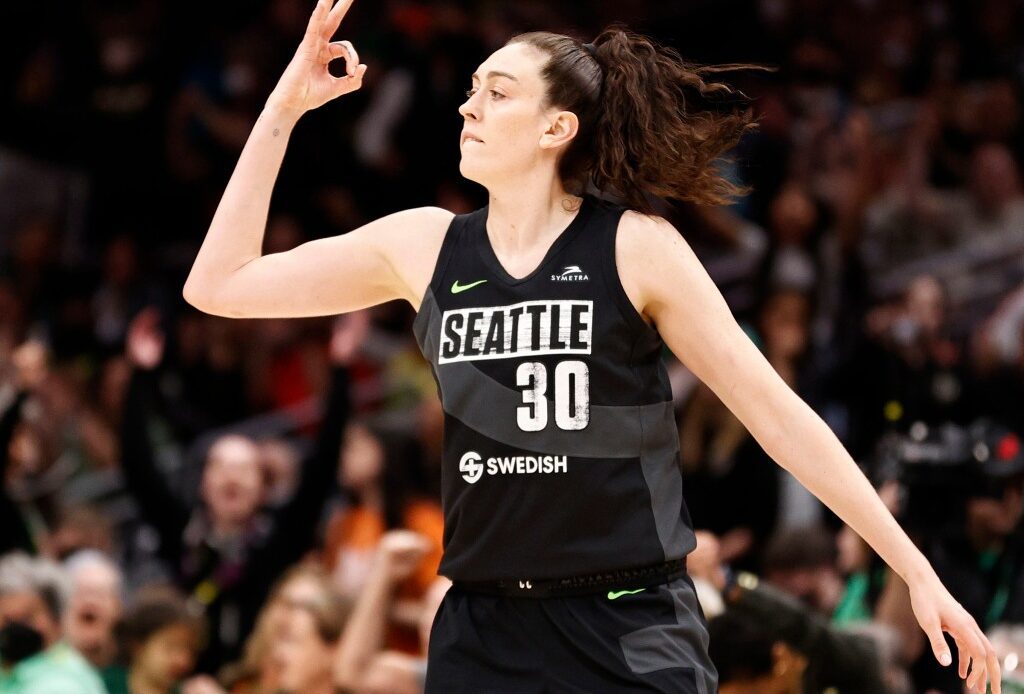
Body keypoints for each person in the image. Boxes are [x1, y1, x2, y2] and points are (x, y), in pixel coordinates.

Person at [181, 0, 1002, 691]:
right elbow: (216, 285)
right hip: (482, 627)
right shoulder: (423, 246)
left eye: (496, 93)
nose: (467, 107)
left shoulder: (634, 246)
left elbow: (779, 418)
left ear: (556, 127)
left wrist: (916, 572)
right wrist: (282, 109)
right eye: (470, 89)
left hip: (629, 620)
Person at [119, 309, 359, 671]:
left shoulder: (280, 538)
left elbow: (322, 467)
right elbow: (139, 468)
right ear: (203, 483)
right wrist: (140, 375)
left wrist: (340, 370)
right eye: (220, 466)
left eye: (245, 469)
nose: (232, 477)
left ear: (263, 489)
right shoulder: (182, 534)